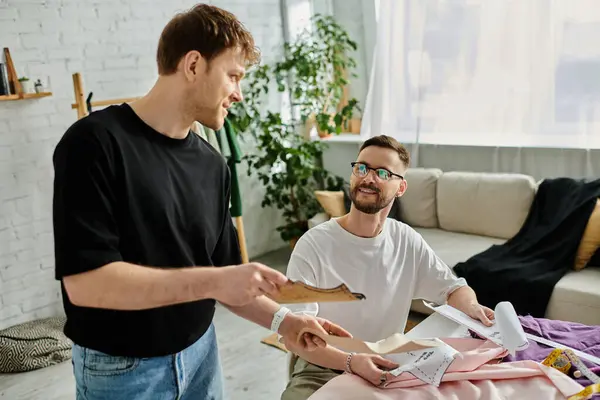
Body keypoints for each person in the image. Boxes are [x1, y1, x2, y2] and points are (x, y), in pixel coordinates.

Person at [51, 4, 349, 400]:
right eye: (233, 76)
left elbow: (227, 277)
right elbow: (88, 286)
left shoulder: (213, 164)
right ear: (193, 65)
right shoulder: (93, 144)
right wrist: (218, 280)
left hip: (201, 356)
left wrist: (285, 321)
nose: (239, 94)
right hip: (122, 371)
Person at [279, 134, 496, 400]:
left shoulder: (406, 240)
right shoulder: (313, 244)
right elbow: (296, 335)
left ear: (401, 187)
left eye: (382, 172)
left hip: (389, 364)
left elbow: (452, 289)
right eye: (361, 168)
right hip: (323, 366)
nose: (369, 178)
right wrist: (351, 361)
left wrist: (471, 307)